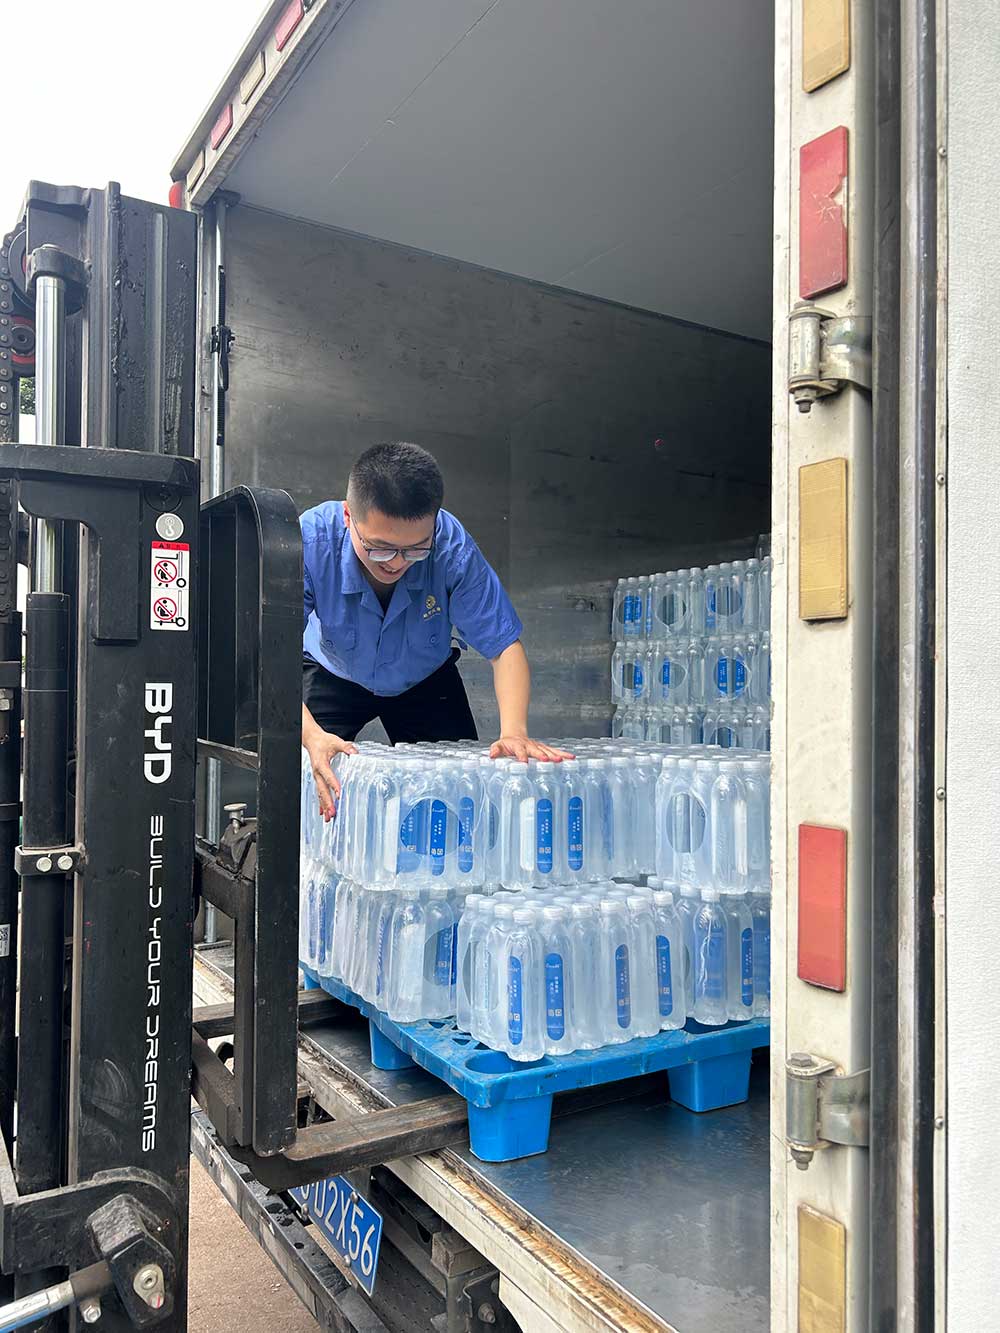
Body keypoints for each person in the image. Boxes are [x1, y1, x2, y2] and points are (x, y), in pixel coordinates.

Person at [301, 441, 570, 817]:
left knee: (457, 796)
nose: (397, 563)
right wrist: (311, 736)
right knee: (302, 785)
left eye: (416, 550)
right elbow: (268, 655)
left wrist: (514, 731)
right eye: (380, 548)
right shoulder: (311, 542)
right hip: (335, 671)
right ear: (348, 516)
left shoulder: (451, 548)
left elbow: (504, 646)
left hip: (424, 678)